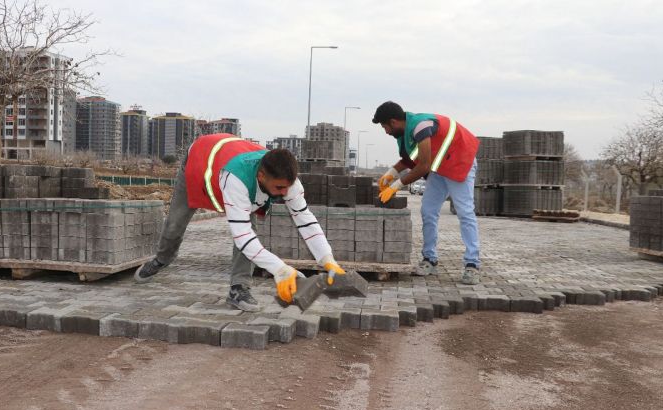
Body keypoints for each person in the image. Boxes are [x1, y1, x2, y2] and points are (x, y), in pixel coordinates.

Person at [134, 133, 346, 311]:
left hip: (235, 168)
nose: (284, 194)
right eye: (280, 189)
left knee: (249, 228)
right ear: (262, 176)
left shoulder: (286, 181)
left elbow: (305, 220)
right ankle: (162, 259)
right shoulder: (236, 179)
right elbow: (241, 236)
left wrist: (327, 259)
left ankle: (239, 288)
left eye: (287, 188)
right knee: (175, 223)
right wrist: (280, 270)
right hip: (198, 166)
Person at [372, 101, 481, 285]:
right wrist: (391, 173)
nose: (386, 132)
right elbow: (409, 159)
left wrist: (396, 185)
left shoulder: (421, 126)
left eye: (385, 127)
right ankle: (429, 259)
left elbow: (423, 166)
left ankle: (472, 264)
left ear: (393, 121)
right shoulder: (404, 132)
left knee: (465, 213)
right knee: (428, 211)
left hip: (460, 163)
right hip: (440, 169)